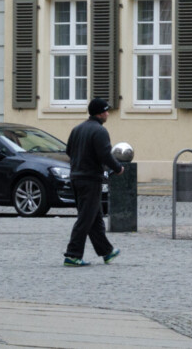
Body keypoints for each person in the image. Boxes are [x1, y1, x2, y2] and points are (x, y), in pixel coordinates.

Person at [63, 97, 124, 267]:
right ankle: (72, 255)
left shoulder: (77, 129)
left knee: (94, 217)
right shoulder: (100, 131)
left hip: (76, 177)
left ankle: (106, 251)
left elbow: (69, 150)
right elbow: (105, 154)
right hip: (90, 179)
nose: (108, 113)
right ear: (100, 113)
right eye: (106, 111)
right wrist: (118, 168)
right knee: (85, 218)